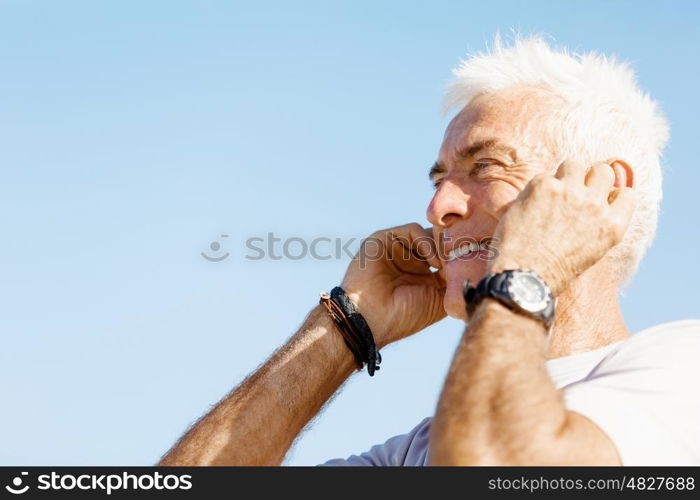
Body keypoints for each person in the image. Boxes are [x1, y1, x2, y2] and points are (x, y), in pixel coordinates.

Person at [159, 37, 700, 466]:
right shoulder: (414, 453)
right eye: (439, 178)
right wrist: (347, 323)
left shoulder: (682, 368)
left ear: (604, 188)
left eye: (484, 165)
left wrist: (529, 268)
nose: (438, 206)